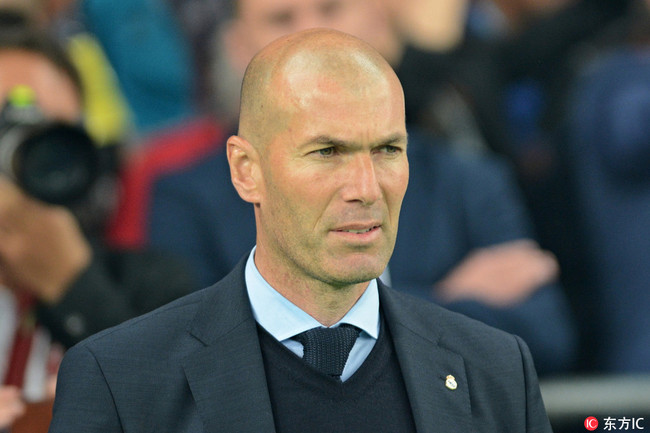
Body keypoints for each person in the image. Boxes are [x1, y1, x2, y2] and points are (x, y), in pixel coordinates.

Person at [49, 28, 552, 432]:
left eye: (387, 150)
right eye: (327, 152)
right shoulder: (119, 378)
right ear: (247, 170)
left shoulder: (496, 369)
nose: (366, 187)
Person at [106, 0, 577, 376]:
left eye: (331, 8)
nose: (310, 31)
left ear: (378, 20)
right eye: (281, 17)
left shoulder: (468, 178)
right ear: (234, 45)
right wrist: (446, 299)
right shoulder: (185, 197)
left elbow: (546, 338)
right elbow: (193, 347)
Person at [0, 9, 195, 430]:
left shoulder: (155, 286)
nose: (27, 156)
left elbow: (183, 414)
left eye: (52, 133)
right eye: (6, 127)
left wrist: (72, 284)